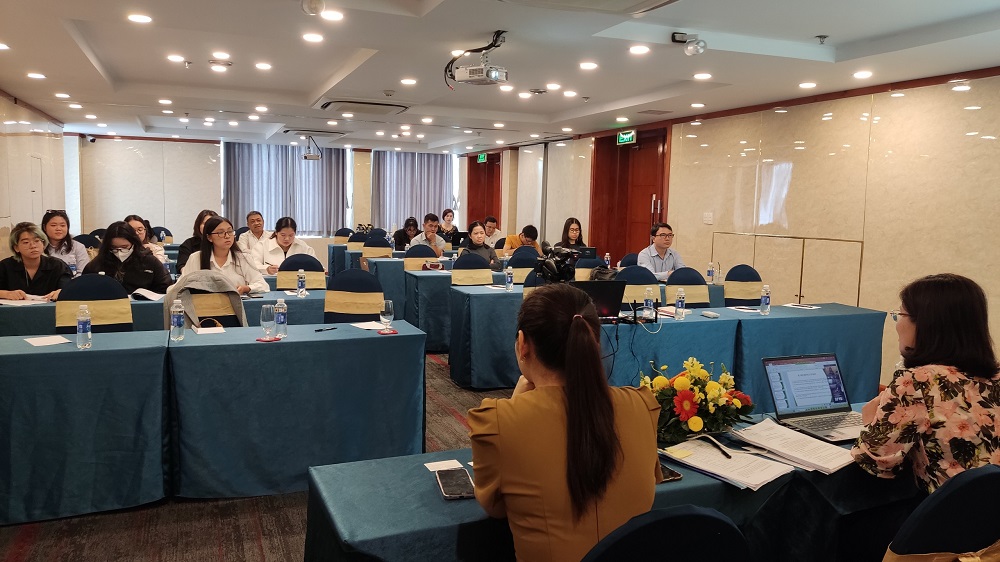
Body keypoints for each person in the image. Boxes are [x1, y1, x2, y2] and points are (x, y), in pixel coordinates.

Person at [469, 283, 662, 561]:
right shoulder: (642, 404)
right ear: (594, 343)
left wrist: (514, 406)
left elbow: (495, 507)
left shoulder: (499, 422)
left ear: (523, 344)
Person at [851, 273, 1000, 493]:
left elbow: (875, 461)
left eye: (900, 314)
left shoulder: (917, 381)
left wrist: (870, 422)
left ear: (926, 324)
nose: (897, 325)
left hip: (951, 511)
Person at [181, 216, 268, 294]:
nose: (227, 236)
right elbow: (180, 286)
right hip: (204, 305)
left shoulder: (243, 258)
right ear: (209, 237)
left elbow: (263, 285)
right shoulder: (196, 258)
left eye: (230, 231)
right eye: (220, 232)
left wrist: (247, 288)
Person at [83, 221, 172, 294]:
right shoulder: (96, 265)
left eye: (124, 247)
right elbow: (84, 290)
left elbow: (166, 288)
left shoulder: (150, 262)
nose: (119, 251)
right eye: (114, 248)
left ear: (133, 244)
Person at [0, 222, 71, 301]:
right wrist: (6, 294)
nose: (33, 246)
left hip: (50, 308)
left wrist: (61, 292)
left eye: (37, 241)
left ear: (43, 244)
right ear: (16, 247)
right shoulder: (5, 266)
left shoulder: (58, 266)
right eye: (26, 242)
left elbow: (69, 289)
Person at [251, 216, 317, 275]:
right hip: (269, 283)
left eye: (291, 235)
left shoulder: (302, 246)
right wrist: (266, 269)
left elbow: (315, 265)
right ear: (276, 232)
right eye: (283, 235)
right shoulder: (262, 246)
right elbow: (253, 265)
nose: (287, 239)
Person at [41, 209, 90, 275]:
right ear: (44, 227)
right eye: (53, 225)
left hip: (73, 281)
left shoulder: (78, 247)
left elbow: (83, 273)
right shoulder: (38, 247)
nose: (58, 229)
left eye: (62, 225)